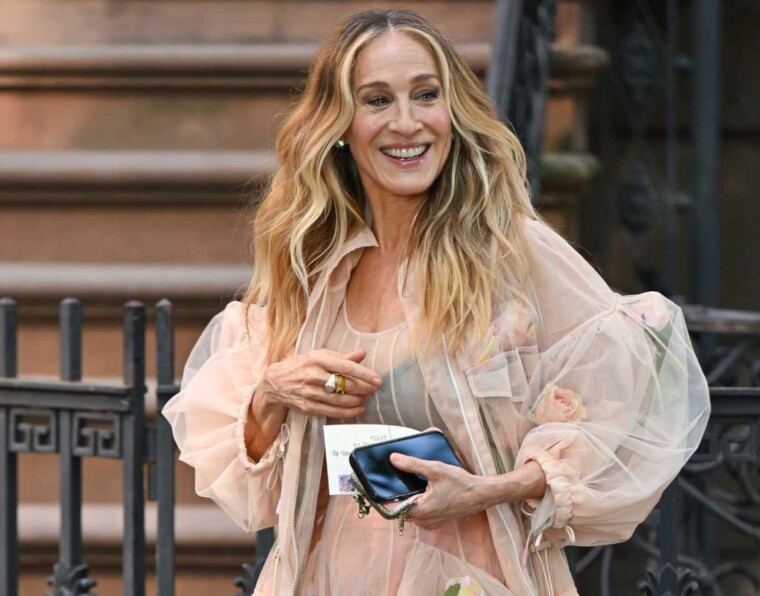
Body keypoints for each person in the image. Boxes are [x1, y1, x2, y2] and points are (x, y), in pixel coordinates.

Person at [163, 9, 710, 595]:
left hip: (474, 571)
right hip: (330, 571)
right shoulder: (314, 266)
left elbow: (624, 394)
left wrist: (487, 490)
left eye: (426, 95)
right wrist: (271, 395)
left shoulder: (506, 249)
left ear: (453, 111)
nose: (407, 123)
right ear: (340, 124)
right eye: (377, 100)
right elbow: (258, 484)